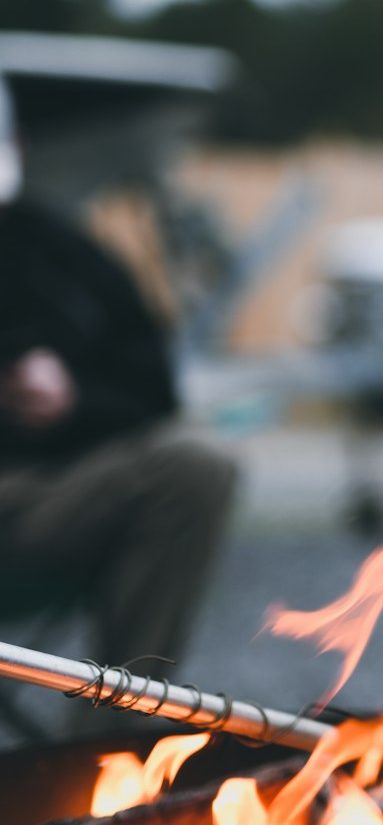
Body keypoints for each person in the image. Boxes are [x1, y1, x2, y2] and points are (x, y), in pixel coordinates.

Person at [0, 88, 237, 672]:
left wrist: (74, 398)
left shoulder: (61, 252)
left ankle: (115, 746)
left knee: (196, 467)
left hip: (41, 504)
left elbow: (153, 385)